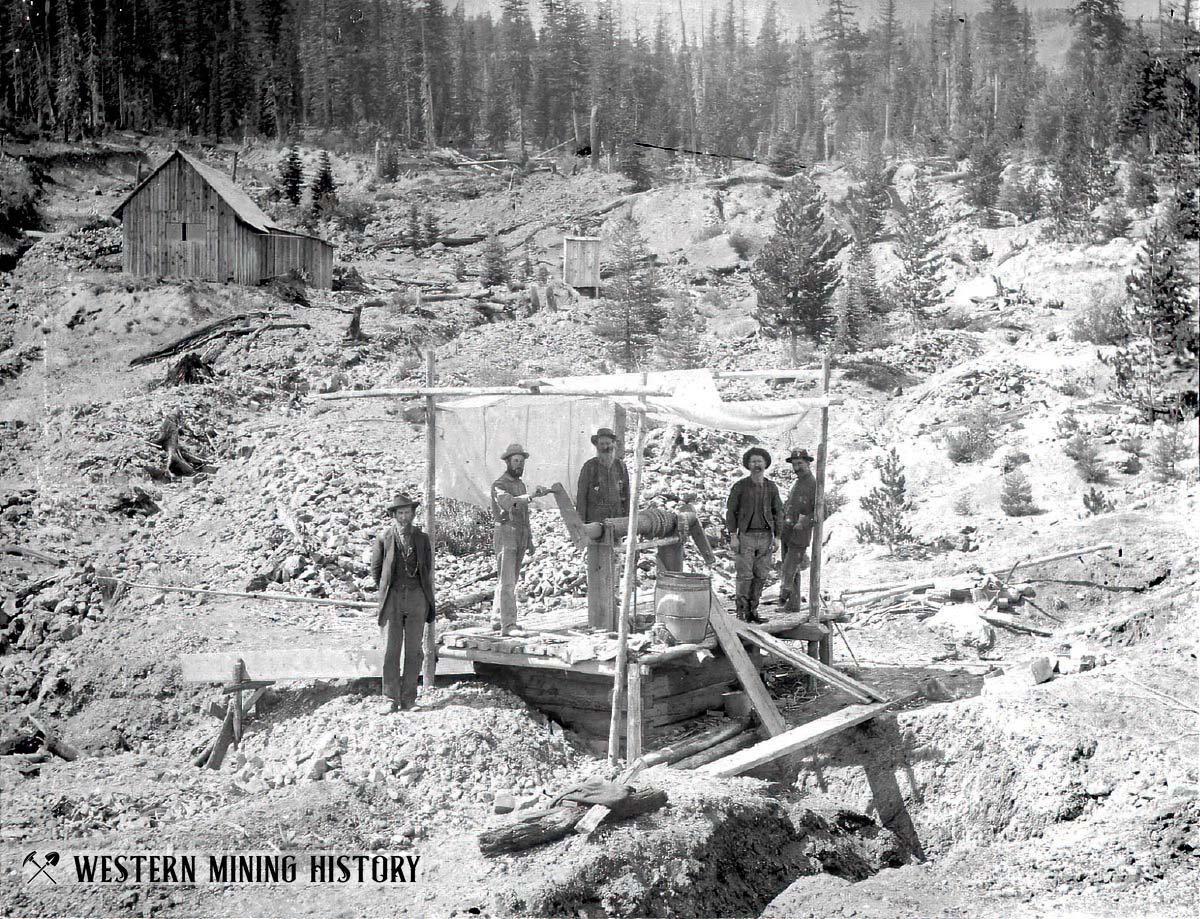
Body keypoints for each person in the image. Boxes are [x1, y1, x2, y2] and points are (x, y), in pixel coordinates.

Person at [370, 493, 436, 712]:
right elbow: (376, 571)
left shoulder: (422, 538)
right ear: (393, 515)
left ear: (413, 514)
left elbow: (427, 567)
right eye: (400, 513)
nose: (404, 517)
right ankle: (390, 698)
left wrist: (422, 596)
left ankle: (409, 698)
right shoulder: (384, 538)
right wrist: (389, 590)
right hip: (393, 599)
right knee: (391, 649)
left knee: (414, 650)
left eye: (407, 512)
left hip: (417, 597)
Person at [492, 444, 549, 636]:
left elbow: (524, 514)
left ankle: (497, 618)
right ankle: (508, 625)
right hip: (506, 533)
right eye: (516, 461)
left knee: (510, 580)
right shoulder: (499, 484)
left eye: (522, 462)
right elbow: (509, 502)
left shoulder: (520, 485)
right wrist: (531, 496)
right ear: (507, 462)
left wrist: (530, 539)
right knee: (507, 581)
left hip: (520, 534)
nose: (519, 465)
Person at [725, 447, 785, 623]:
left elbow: (778, 512)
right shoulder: (740, 486)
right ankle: (742, 613)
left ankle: (753, 611)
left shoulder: (771, 487)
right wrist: (733, 536)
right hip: (746, 537)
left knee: (761, 575)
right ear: (748, 465)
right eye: (753, 461)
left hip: (765, 537)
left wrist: (777, 536)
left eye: (760, 461)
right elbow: (731, 512)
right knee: (744, 575)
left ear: (765, 464)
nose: (757, 464)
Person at [780, 448, 817, 612]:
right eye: (794, 464)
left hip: (800, 534)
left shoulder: (814, 484)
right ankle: (793, 605)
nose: (796, 467)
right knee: (792, 569)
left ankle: (784, 597)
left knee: (789, 568)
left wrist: (805, 521)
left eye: (800, 463)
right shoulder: (797, 482)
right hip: (787, 532)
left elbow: (822, 511)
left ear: (808, 463)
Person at [576, 427, 630, 525]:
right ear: (597, 446)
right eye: (602, 444)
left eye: (608, 443)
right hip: (595, 517)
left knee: (615, 540)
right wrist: (581, 522)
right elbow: (581, 495)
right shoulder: (589, 466)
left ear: (613, 444)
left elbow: (627, 493)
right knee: (595, 540)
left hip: (616, 517)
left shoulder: (621, 466)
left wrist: (627, 519)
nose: (605, 447)